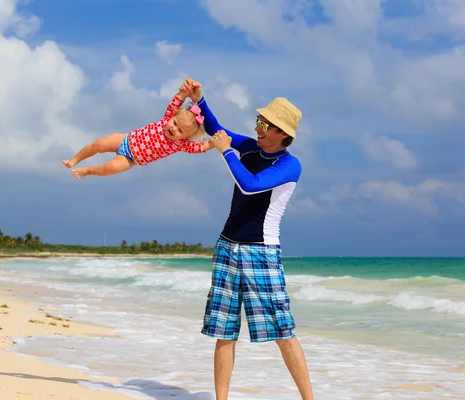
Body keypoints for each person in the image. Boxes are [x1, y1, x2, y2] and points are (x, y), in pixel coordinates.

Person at [180, 78, 314, 400]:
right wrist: (199, 100)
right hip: (227, 248)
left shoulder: (288, 165)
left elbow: (250, 185)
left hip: (261, 254)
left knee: (283, 331)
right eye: (259, 121)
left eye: (265, 124)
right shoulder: (251, 147)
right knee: (224, 332)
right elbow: (217, 131)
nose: (258, 128)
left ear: (283, 133)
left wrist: (227, 153)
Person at [62, 87, 213, 179]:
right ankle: (74, 159)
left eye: (180, 131)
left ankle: (87, 171)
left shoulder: (180, 145)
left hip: (131, 158)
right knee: (98, 144)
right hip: (126, 139)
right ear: (172, 117)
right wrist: (185, 91)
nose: (174, 128)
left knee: (110, 168)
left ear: (185, 137)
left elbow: (199, 148)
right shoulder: (166, 118)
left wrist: (213, 143)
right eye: (174, 123)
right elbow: (176, 101)